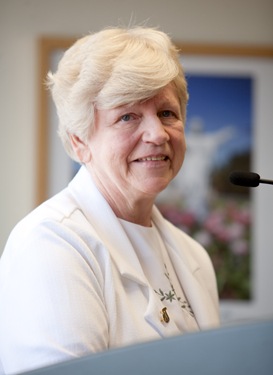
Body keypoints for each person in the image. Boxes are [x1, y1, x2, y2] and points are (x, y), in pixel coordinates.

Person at [0, 26, 220, 374]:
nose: (157, 134)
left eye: (167, 113)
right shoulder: (49, 245)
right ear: (79, 142)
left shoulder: (193, 255)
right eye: (128, 116)